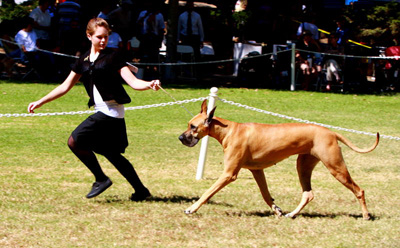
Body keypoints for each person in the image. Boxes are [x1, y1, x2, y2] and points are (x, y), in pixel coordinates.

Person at [27, 18, 161, 201]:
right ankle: (141, 191)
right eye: (99, 37)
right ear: (89, 36)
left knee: (74, 141)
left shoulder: (113, 57)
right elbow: (65, 86)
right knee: (111, 153)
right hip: (104, 112)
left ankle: (101, 179)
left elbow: (133, 82)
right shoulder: (83, 59)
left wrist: (149, 84)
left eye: (106, 37)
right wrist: (40, 101)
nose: (104, 41)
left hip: (110, 113)